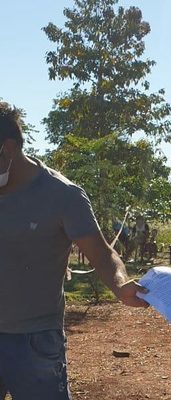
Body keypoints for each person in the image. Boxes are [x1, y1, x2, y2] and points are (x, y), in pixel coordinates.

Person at [0, 102, 148, 399]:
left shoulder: (62, 195)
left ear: (8, 148)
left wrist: (120, 286)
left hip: (34, 341)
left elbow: (103, 253)